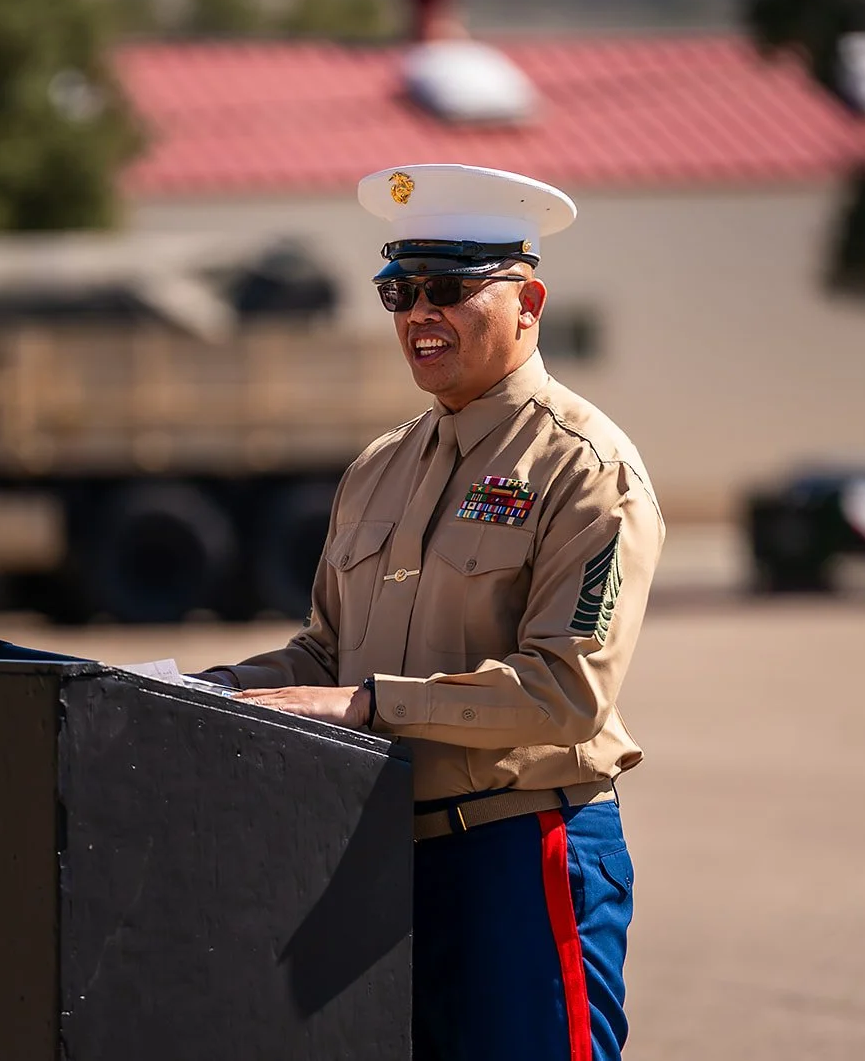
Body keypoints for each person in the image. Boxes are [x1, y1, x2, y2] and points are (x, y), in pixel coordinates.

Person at [191, 163, 665, 1061]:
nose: (418, 314)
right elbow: (325, 656)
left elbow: (568, 694)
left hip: (519, 854)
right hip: (374, 862)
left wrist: (374, 705)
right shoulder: (378, 466)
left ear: (529, 301)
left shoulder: (584, 468)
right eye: (397, 290)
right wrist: (201, 693)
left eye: (448, 287)